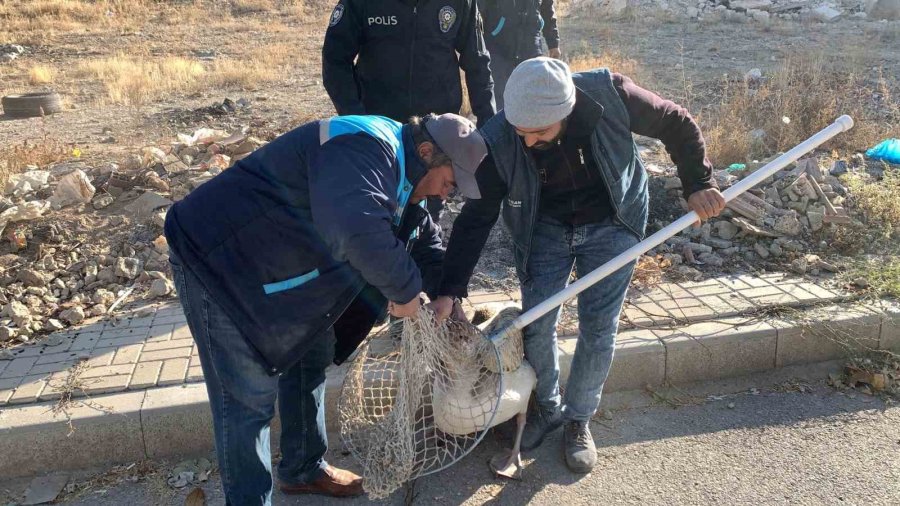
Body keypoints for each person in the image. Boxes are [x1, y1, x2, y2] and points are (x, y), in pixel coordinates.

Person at [164, 113, 487, 503]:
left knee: (309, 355)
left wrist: (446, 295)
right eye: (448, 183)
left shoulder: (405, 175)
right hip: (219, 261)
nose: (443, 196)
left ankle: (303, 468)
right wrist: (406, 294)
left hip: (275, 268)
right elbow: (355, 229)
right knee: (248, 400)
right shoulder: (364, 148)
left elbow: (423, 240)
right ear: (426, 152)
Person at [431, 58, 725, 473]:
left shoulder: (611, 95)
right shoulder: (498, 138)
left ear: (566, 112)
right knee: (537, 321)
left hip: (614, 223)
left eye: (540, 133)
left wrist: (699, 183)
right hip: (543, 229)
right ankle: (546, 408)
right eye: (522, 134)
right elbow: (476, 218)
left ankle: (578, 419)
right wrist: (451, 288)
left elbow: (676, 122)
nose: (529, 143)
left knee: (598, 325)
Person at [322, 0, 496, 225]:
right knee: (374, 217)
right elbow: (335, 59)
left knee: (424, 224)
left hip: (436, 140)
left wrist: (488, 129)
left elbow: (478, 64)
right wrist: (357, 119)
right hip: (379, 136)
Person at [478, 0, 561, 109]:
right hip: (498, 48)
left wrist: (553, 43)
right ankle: (504, 125)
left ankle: (531, 125)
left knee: (534, 98)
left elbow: (547, 8)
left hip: (531, 47)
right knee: (500, 100)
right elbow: (477, 11)